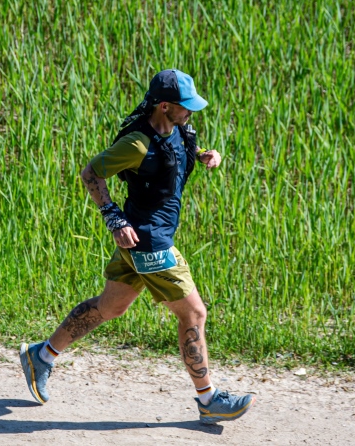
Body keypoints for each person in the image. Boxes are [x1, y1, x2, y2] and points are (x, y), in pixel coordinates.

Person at [19, 69, 255, 425]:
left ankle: (41, 356)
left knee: (109, 307)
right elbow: (91, 173)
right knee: (194, 313)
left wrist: (204, 154)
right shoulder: (137, 144)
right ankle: (208, 399)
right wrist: (114, 219)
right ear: (164, 106)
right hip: (149, 242)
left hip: (140, 243)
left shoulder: (175, 129)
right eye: (185, 106)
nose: (191, 112)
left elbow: (172, 155)